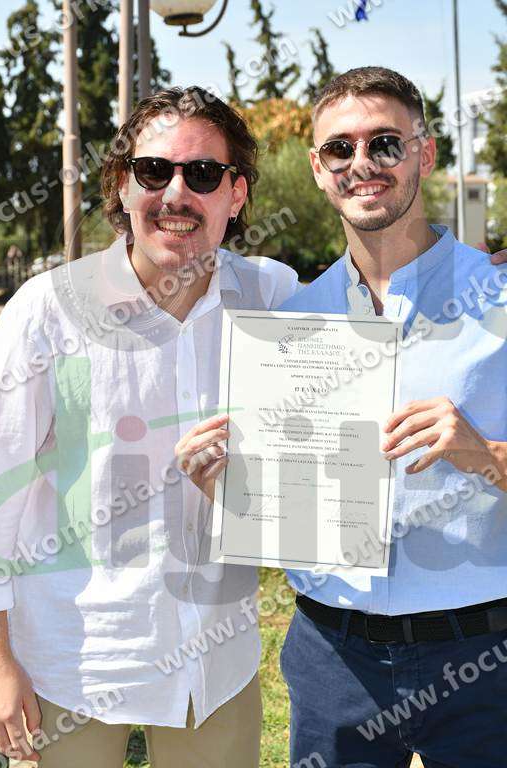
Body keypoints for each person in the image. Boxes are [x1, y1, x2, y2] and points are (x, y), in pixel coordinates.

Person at [179, 67, 507, 768]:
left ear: (425, 152)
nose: (363, 164)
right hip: (333, 660)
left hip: (484, 659)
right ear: (318, 169)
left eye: (385, 143)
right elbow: (291, 514)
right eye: (340, 148)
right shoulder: (292, 319)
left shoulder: (500, 297)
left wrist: (485, 454)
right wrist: (233, 492)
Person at [0, 87, 298, 767]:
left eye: (204, 173)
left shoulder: (274, 297)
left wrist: (468, 274)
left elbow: (375, 319)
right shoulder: (47, 311)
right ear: (122, 186)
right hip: (73, 664)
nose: (176, 194)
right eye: (154, 171)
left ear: (237, 194)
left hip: (216, 666)